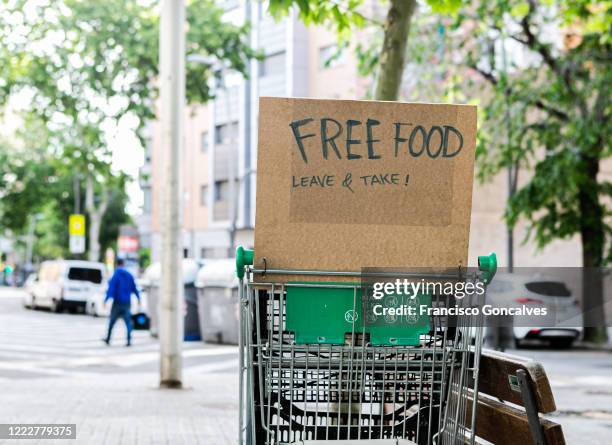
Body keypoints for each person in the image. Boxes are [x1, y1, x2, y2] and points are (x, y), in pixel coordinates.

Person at [103, 258, 140, 346]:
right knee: (128, 322)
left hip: (117, 302)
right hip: (127, 302)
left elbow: (111, 289)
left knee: (112, 321)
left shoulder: (116, 275)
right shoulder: (129, 275)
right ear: (123, 264)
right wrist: (139, 299)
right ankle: (128, 340)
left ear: (117, 264)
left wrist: (106, 300)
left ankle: (108, 339)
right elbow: (134, 288)